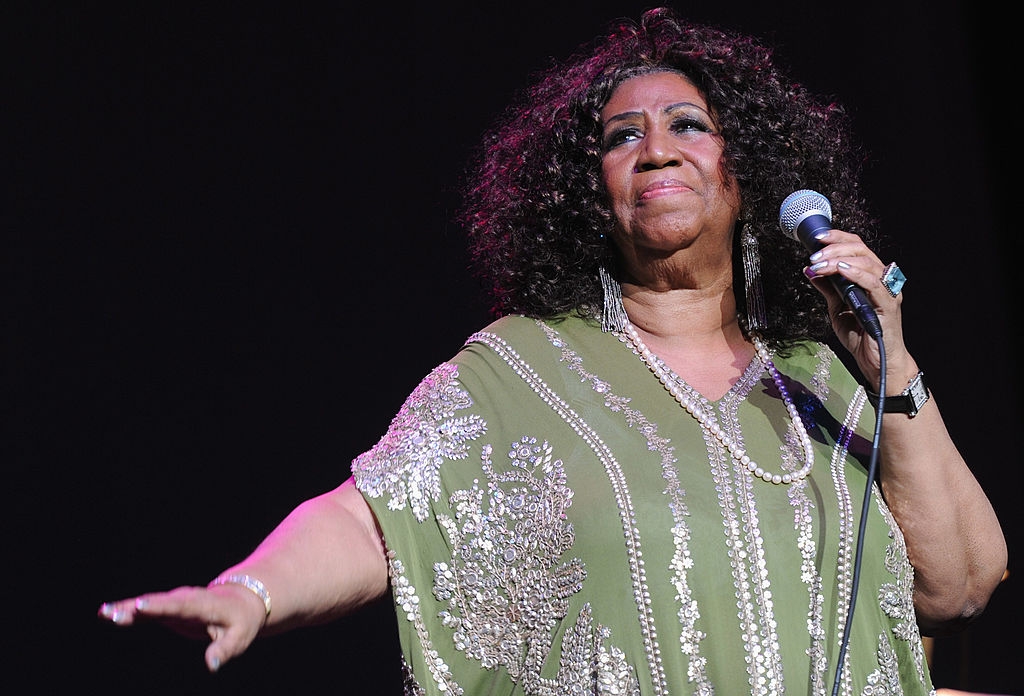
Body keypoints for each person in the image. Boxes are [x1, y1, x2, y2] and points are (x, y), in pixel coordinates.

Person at [97, 7, 1007, 694]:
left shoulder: (826, 375)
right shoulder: (520, 370)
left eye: (688, 125)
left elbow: (961, 583)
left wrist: (890, 357)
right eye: (622, 137)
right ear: (588, 195)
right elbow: (375, 516)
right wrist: (250, 593)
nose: (655, 149)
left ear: (748, 170)